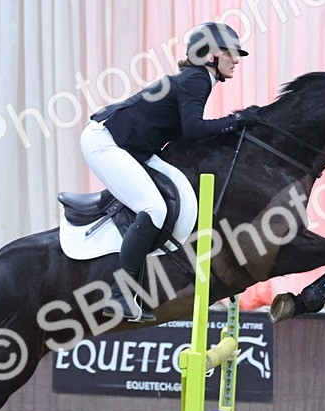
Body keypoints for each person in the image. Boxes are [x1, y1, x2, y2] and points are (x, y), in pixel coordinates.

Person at [81, 22, 262, 321]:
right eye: (230, 53)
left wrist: (234, 125)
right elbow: (193, 130)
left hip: (130, 146)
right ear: (210, 56)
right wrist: (238, 121)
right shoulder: (197, 80)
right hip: (105, 142)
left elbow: (186, 133)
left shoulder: (196, 78)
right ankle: (119, 294)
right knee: (153, 207)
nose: (237, 60)